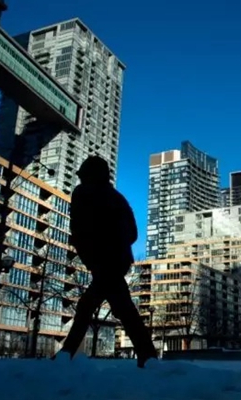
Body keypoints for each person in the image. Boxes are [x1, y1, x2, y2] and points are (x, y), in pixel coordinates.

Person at [53, 155, 157, 368]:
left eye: (83, 175)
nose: (81, 179)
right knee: (119, 308)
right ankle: (148, 356)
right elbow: (132, 234)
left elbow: (79, 231)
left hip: (105, 262)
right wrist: (113, 245)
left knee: (96, 307)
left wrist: (98, 250)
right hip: (115, 261)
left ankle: (66, 354)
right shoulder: (117, 198)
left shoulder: (84, 194)